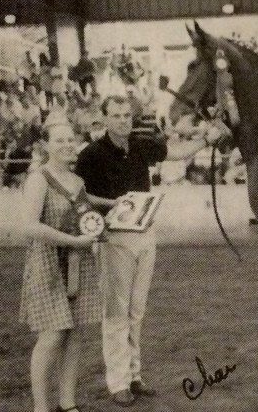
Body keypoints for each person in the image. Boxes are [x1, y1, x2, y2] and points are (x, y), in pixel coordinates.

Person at [75, 95, 227, 407]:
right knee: (116, 312)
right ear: (103, 118)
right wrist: (112, 204)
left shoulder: (141, 144)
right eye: (116, 115)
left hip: (144, 233)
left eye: (126, 115)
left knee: (136, 310)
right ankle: (118, 382)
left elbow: (176, 152)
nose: (122, 120)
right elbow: (81, 196)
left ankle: (133, 376)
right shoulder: (91, 154)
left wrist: (206, 142)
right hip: (114, 237)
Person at [19, 118, 101, 412]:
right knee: (52, 336)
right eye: (60, 140)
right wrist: (72, 240)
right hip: (49, 264)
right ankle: (41, 407)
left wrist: (114, 204)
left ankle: (67, 403)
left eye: (71, 140)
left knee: (75, 333)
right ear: (45, 146)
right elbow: (28, 227)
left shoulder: (77, 180)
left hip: (79, 264)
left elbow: (83, 205)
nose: (67, 145)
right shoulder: (38, 179)